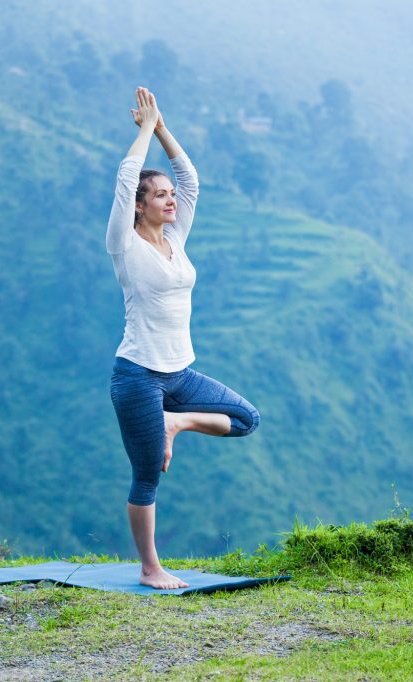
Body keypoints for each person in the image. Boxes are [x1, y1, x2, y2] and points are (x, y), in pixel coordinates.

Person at [107, 87, 260, 590]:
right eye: (160, 195)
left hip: (180, 374)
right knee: (147, 474)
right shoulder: (123, 244)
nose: (171, 199)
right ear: (137, 207)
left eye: (170, 196)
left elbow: (191, 180)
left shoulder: (176, 238)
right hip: (137, 377)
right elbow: (126, 177)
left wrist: (163, 128)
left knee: (245, 419)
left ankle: (177, 423)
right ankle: (150, 567)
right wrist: (144, 133)